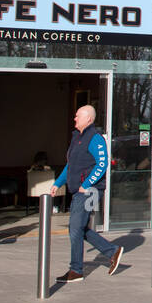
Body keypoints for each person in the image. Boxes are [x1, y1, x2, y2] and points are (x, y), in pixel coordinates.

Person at [51, 104, 123, 282]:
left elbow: (102, 164)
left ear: (88, 119)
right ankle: (112, 251)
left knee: (75, 228)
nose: (74, 118)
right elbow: (71, 165)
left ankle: (76, 270)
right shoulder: (77, 138)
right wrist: (58, 183)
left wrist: (87, 184)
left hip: (89, 191)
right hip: (79, 189)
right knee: (78, 227)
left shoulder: (95, 138)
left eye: (78, 116)